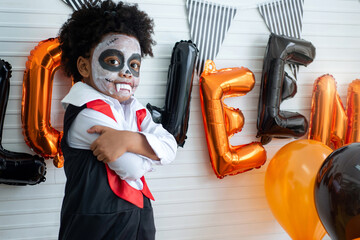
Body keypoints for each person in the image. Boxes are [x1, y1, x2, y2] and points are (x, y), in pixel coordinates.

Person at [57, 1, 177, 239]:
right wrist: (151, 151)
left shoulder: (133, 107)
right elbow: (132, 169)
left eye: (134, 65)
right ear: (83, 66)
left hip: (138, 218)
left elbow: (171, 146)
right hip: (97, 227)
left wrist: (128, 140)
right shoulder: (87, 113)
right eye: (113, 61)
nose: (126, 73)